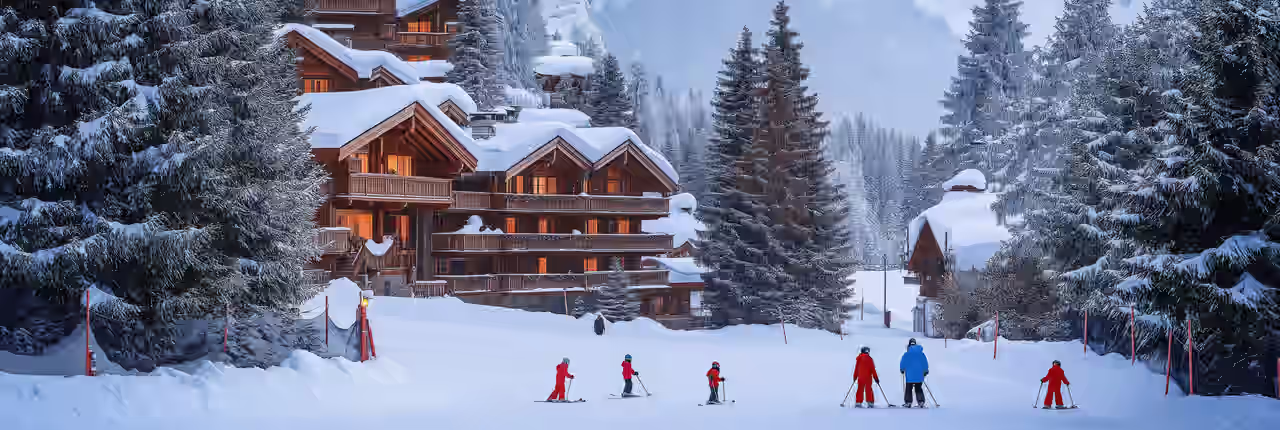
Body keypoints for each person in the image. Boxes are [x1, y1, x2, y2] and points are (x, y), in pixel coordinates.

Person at [899, 338, 929, 408]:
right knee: (918, 388)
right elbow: (924, 363)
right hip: (919, 374)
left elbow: (903, 362)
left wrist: (902, 369)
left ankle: (908, 401)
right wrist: (925, 370)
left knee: (909, 388)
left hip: (910, 374)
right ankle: (921, 401)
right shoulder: (921, 354)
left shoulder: (907, 354)